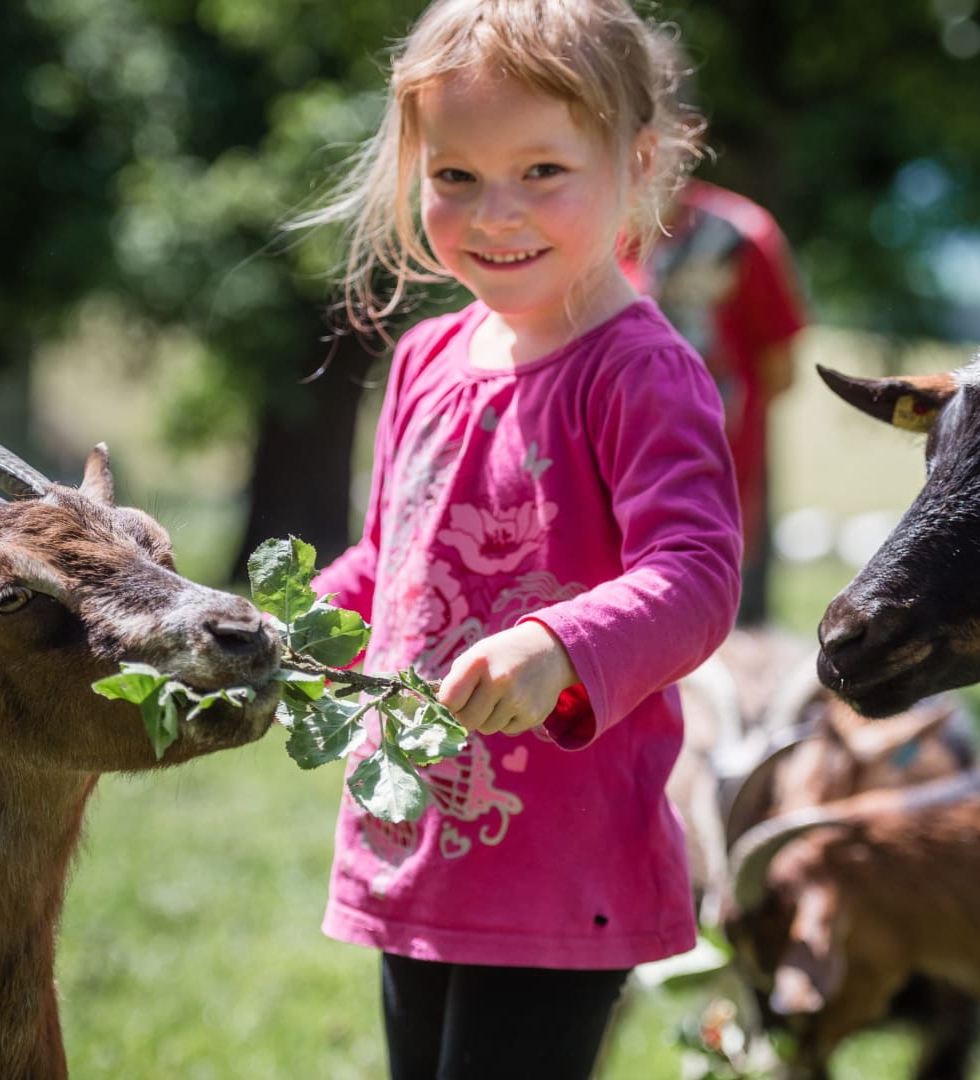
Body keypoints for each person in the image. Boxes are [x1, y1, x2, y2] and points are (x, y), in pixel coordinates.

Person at [295, 1, 742, 1077]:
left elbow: (695, 577)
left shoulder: (638, 373)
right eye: (454, 176)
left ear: (637, 163)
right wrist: (281, 632)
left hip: (560, 868)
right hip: (415, 844)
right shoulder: (424, 360)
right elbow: (387, 567)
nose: (495, 214)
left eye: (542, 171)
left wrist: (559, 646)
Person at [621, 178, 810, 626]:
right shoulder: (587, 225)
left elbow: (780, 371)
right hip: (605, 482)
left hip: (711, 489)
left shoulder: (739, 233)